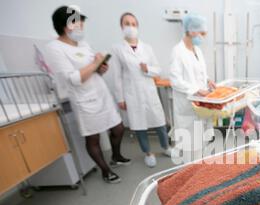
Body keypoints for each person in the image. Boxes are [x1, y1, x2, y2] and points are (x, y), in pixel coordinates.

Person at [46, 6, 130, 184]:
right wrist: (96, 63)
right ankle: (105, 171)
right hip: (84, 100)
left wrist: (101, 68)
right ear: (64, 25)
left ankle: (116, 156)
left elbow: (93, 70)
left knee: (118, 128)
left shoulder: (84, 45)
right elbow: (74, 78)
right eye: (76, 22)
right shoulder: (55, 48)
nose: (81, 26)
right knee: (93, 138)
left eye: (81, 22)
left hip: (101, 94)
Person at [111, 12, 173, 168]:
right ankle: (148, 153)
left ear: (137, 26)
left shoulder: (147, 48)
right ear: (121, 27)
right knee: (139, 126)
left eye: (133, 23)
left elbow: (158, 69)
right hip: (132, 94)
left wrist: (148, 69)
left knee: (159, 122)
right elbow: (117, 75)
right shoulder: (117, 49)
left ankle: (166, 147)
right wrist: (120, 98)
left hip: (149, 90)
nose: (130, 27)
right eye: (127, 23)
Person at [169, 13, 216, 162]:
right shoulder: (178, 51)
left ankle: (198, 170)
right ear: (191, 31)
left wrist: (208, 80)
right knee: (190, 145)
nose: (203, 37)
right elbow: (175, 80)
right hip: (187, 106)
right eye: (202, 33)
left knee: (201, 142)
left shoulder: (197, 50)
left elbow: (200, 73)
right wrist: (195, 90)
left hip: (200, 104)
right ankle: (189, 173)